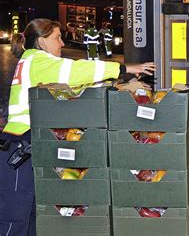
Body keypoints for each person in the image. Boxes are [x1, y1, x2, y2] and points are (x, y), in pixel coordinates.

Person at [0, 19, 156, 236]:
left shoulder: (41, 65)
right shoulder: (37, 61)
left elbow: (77, 87)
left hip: (30, 145)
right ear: (42, 41)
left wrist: (122, 85)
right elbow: (76, 71)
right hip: (20, 148)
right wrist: (124, 68)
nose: (62, 43)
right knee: (15, 217)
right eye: (57, 37)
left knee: (35, 214)